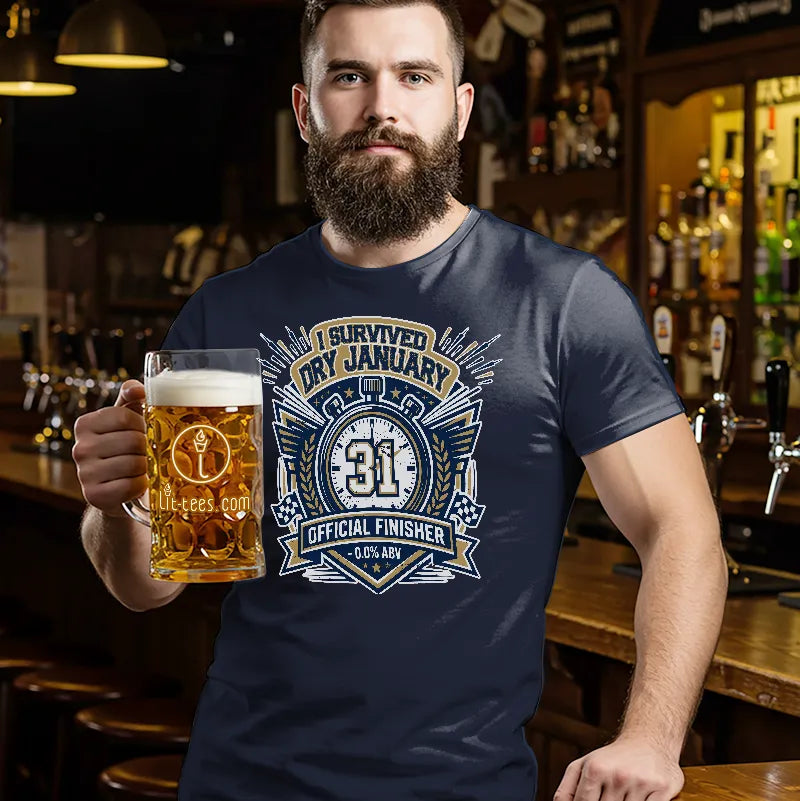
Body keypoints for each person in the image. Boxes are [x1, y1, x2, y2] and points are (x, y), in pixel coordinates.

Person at [72, 0, 729, 799]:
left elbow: (683, 527)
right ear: (306, 110)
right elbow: (155, 583)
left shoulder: (562, 301)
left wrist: (653, 738)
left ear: (457, 109)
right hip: (242, 778)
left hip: (465, 786)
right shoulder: (226, 310)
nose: (382, 106)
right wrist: (116, 507)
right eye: (350, 75)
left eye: (414, 76)